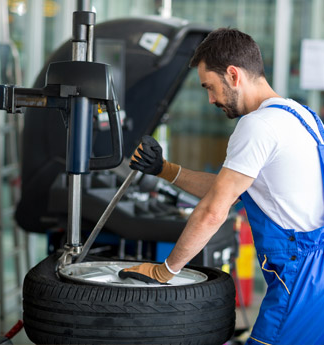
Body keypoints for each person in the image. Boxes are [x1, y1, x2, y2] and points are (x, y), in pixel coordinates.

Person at [119, 28, 324, 345]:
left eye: (210, 87)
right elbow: (229, 188)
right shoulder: (300, 115)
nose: (211, 99)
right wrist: (164, 169)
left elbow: (214, 210)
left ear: (233, 74)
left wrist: (166, 271)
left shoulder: (258, 125)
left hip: (298, 280)